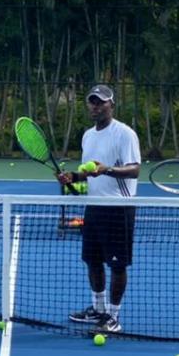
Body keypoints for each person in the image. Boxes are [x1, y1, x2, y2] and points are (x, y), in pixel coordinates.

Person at [57, 84, 141, 335]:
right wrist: (72, 176)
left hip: (118, 207)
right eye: (92, 102)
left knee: (117, 265)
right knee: (92, 261)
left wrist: (108, 169)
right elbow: (88, 173)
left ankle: (113, 316)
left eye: (101, 102)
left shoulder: (124, 134)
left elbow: (135, 169)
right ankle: (97, 308)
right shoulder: (87, 136)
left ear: (111, 105)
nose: (96, 106)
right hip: (94, 208)